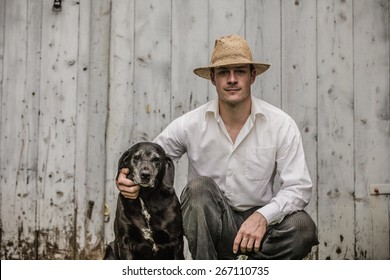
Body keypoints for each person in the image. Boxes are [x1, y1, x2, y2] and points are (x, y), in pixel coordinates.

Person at [116, 34, 319, 260]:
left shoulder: (280, 124)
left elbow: (299, 187)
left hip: (261, 227)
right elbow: (150, 155)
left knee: (302, 228)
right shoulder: (190, 124)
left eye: (240, 71)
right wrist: (126, 177)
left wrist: (263, 216)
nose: (232, 79)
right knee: (199, 189)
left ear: (252, 76)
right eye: (223, 72)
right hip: (212, 228)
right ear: (213, 78)